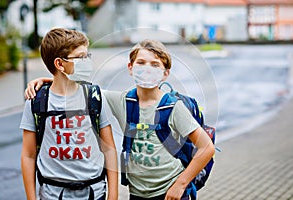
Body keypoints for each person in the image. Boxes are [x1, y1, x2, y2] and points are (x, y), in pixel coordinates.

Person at [25, 39, 215, 200]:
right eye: (141, 62)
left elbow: (207, 147)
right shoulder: (123, 101)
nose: (147, 69)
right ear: (130, 68)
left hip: (170, 192)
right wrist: (49, 80)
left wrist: (180, 184)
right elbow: (81, 89)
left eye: (155, 64)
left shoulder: (173, 107)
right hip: (137, 193)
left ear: (165, 73)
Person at [20, 28, 118, 200]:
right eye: (81, 57)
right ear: (59, 64)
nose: (87, 61)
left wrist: (113, 196)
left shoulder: (95, 97)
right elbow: (28, 155)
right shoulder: (36, 101)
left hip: (94, 193)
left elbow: (109, 149)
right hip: (52, 194)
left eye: (88, 56)